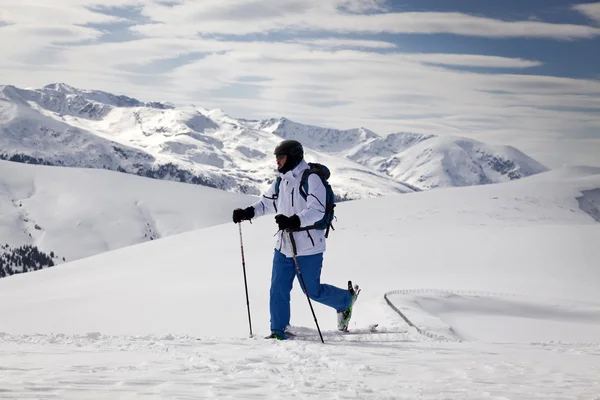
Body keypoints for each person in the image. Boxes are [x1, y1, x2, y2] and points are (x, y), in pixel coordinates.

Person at [232, 139, 359, 340]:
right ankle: (278, 331)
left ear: (292, 157)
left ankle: (345, 301)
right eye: (276, 158)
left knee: (311, 290)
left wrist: (294, 221)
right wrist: (247, 213)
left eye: (280, 158)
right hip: (283, 246)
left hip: (309, 246)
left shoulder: (311, 179)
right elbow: (266, 204)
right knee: (278, 289)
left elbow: (317, 210)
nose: (277, 162)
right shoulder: (281, 181)